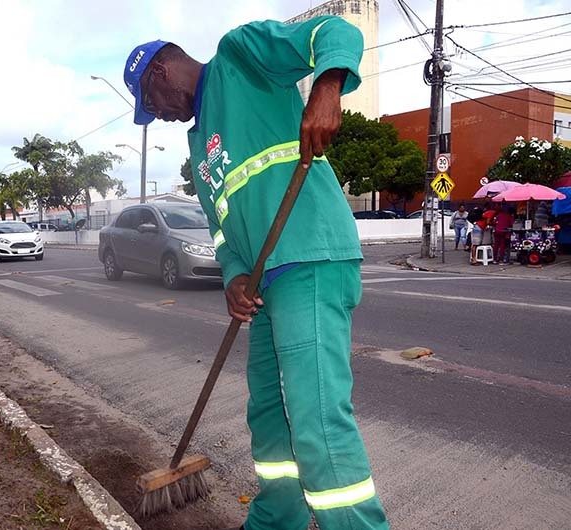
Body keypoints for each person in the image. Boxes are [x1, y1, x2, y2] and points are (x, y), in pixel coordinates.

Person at [125, 17, 388, 530]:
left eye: (151, 104)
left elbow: (334, 31)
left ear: (161, 71)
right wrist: (233, 277)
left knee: (316, 420)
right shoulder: (200, 144)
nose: (159, 116)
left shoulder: (238, 56)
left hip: (308, 254)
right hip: (265, 281)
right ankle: (275, 519)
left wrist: (328, 87)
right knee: (268, 412)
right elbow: (222, 226)